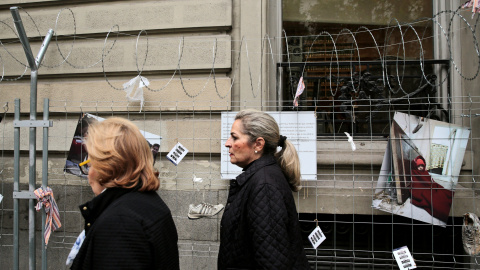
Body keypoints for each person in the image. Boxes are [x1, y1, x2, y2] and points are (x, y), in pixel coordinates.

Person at [70, 117, 179, 270]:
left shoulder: (119, 222)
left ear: (108, 167)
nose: (88, 173)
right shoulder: (149, 202)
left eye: (90, 163)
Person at [218, 109, 310, 270]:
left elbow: (273, 262)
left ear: (258, 144)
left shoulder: (264, 186)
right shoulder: (260, 178)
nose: (227, 143)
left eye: (234, 137)